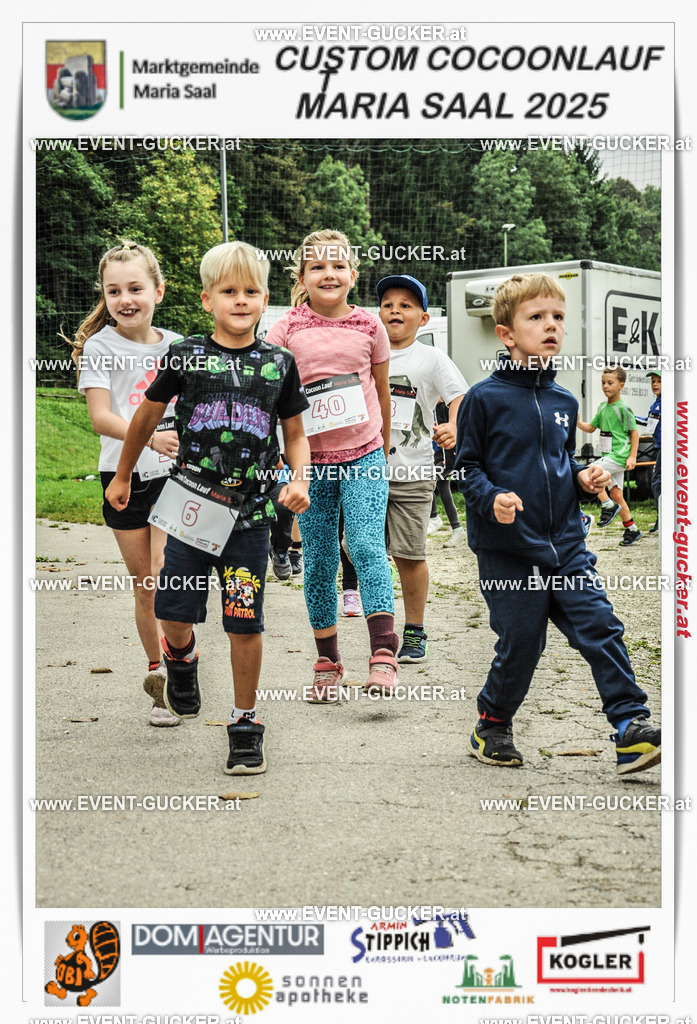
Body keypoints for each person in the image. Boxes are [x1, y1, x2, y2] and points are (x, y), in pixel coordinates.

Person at [105, 241, 310, 774]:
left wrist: (299, 477)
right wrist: (124, 473)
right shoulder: (187, 355)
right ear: (206, 300)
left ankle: (245, 723)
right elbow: (147, 417)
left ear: (265, 299)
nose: (240, 301)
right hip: (191, 512)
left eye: (251, 292)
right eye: (228, 292)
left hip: (249, 518)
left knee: (244, 620)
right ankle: (181, 657)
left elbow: (295, 434)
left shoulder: (279, 364)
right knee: (172, 611)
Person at [454, 273, 661, 775]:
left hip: (566, 542)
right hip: (508, 548)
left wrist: (583, 478)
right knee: (523, 641)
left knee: (600, 626)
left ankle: (631, 727)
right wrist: (492, 498)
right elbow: (466, 468)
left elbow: (556, 466)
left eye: (558, 317)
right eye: (537, 317)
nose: (551, 326)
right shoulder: (484, 398)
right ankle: (492, 723)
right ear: (506, 334)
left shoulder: (565, 402)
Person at [265, 228, 398, 701]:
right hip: (309, 463)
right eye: (318, 266)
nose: (329, 274)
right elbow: (272, 394)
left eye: (338, 265)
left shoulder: (369, 325)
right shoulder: (285, 329)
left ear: (352, 275)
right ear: (302, 276)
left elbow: (380, 390)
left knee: (364, 543)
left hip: (364, 452)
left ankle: (384, 653)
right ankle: (327, 661)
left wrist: (382, 444)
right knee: (319, 559)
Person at [71, 240, 181, 728]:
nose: (126, 298)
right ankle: (157, 674)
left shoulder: (179, 346)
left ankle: (181, 671)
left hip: (176, 477)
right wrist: (150, 437)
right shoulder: (99, 348)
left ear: (158, 290)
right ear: (105, 297)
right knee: (145, 588)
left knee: (163, 575)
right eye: (114, 291)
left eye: (135, 287)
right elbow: (100, 417)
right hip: (123, 475)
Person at [377, 274, 467, 663]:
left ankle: (414, 631)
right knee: (361, 549)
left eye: (406, 305)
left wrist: (454, 425)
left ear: (424, 319)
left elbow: (460, 395)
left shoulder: (431, 358)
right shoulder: (367, 352)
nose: (395, 310)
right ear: (377, 314)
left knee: (409, 555)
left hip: (413, 472)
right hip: (367, 471)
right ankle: (380, 630)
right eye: (388, 304)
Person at [577, 367, 641, 546]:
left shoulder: (624, 408)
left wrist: (632, 457)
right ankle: (632, 529)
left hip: (620, 456)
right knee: (616, 494)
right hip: (610, 455)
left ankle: (608, 506)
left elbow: (634, 434)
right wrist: (578, 423)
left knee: (590, 472)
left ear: (621, 385)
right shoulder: (603, 407)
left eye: (610, 383)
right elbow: (591, 427)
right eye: (603, 383)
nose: (605, 386)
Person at [636, 370, 662, 533]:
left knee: (657, 481)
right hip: (659, 446)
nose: (654, 384)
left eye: (659, 381)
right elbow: (650, 423)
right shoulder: (656, 403)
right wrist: (632, 418)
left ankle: (662, 518)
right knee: (659, 481)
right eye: (652, 381)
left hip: (668, 447)